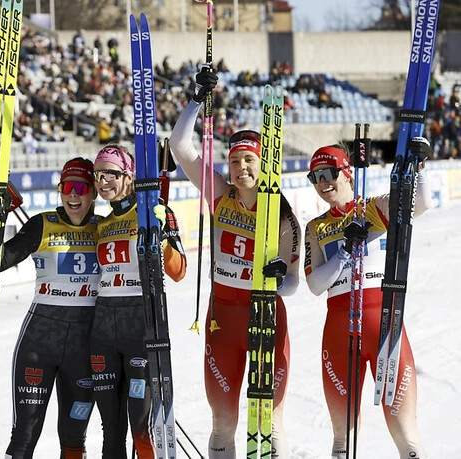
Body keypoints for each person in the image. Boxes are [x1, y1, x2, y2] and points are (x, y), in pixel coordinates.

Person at [169, 69, 301, 459]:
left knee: (268, 419)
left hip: (265, 318)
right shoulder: (219, 194)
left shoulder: (281, 215)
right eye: (235, 160)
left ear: (265, 164)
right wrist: (197, 99)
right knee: (223, 422)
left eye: (249, 160)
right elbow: (179, 146)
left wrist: (279, 279)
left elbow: (293, 283)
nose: (241, 167)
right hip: (222, 318)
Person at [303, 145, 429, 458]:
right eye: (314, 177)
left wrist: (419, 165)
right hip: (339, 329)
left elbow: (421, 204)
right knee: (343, 442)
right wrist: (345, 250)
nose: (322, 182)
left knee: (408, 439)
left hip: (384, 323)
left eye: (327, 173)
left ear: (347, 171)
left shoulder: (375, 207)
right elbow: (316, 284)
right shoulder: (315, 227)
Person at [90, 144, 187, 458]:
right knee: (111, 429)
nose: (103, 181)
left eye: (111, 174)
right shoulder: (101, 225)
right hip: (104, 327)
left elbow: (180, 271)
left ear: (129, 176)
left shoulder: (155, 211)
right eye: (98, 174)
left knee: (142, 426)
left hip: (140, 324)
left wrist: (160, 239)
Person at [1, 158, 100, 459]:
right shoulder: (41, 224)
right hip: (40, 340)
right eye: (66, 188)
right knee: (25, 434)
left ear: (94, 192)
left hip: (84, 345)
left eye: (80, 188)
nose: (73, 196)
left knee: (73, 436)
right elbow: (0, 260)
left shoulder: (105, 228)